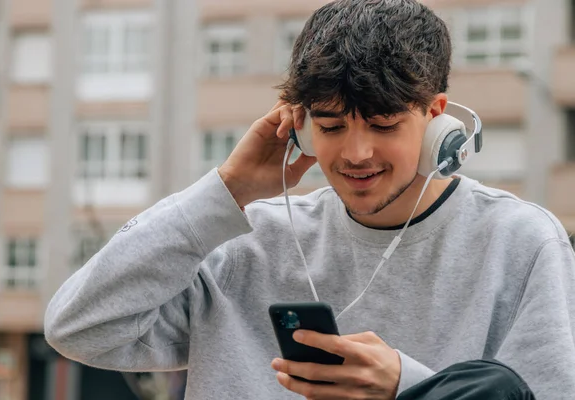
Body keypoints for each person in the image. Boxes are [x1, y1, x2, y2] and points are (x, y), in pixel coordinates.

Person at [44, 0, 575, 399]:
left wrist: (405, 388)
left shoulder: (521, 244)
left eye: (384, 124)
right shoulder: (244, 241)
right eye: (331, 125)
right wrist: (228, 190)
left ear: (438, 117)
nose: (356, 152)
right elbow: (80, 329)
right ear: (296, 126)